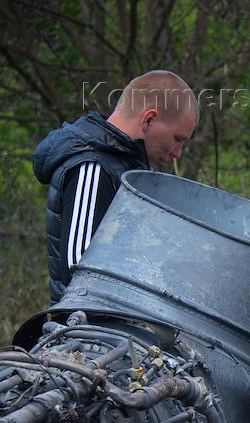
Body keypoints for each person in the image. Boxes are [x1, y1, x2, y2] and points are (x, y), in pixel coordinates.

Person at [33, 70, 199, 304]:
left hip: (121, 328)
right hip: (88, 333)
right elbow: (80, 272)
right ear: (148, 119)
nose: (177, 153)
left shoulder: (130, 167)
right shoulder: (92, 166)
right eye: (178, 139)